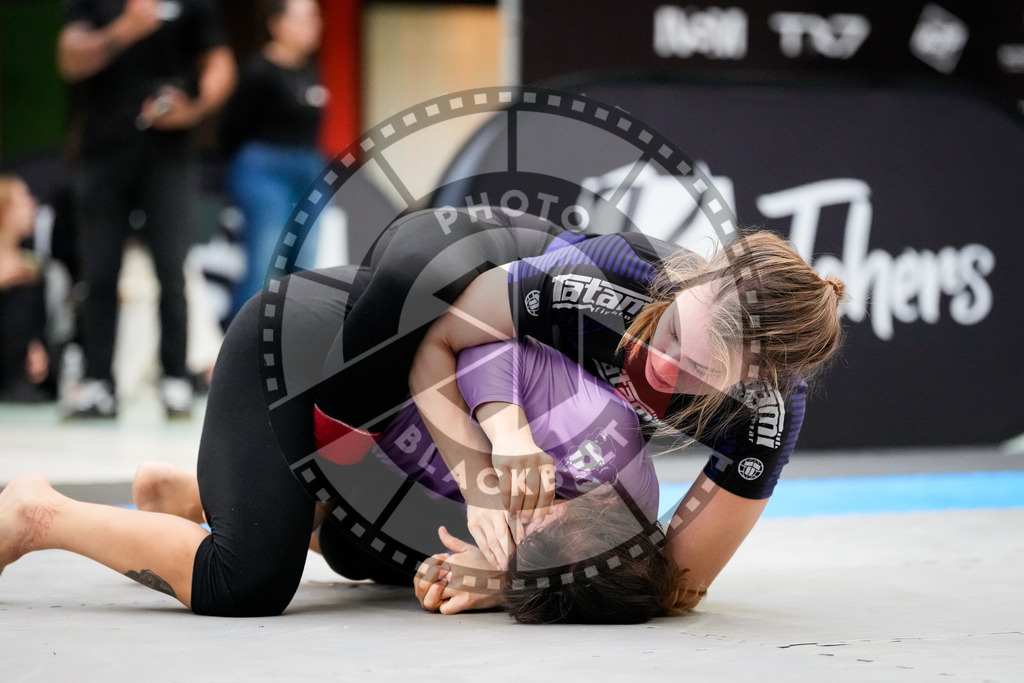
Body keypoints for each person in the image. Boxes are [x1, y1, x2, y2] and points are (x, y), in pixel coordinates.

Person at [0, 264, 679, 623]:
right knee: (247, 584)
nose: (523, 529)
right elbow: (484, 345)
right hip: (304, 348)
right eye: (539, 525)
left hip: (365, 439)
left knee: (386, 556)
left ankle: (194, 494)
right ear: (583, 503)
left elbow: (553, 567)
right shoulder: (601, 436)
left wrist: (501, 581)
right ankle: (40, 513)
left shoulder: (596, 555)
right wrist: (508, 432)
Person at [312, 206, 845, 612]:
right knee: (406, 293)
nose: (663, 363)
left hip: (543, 399)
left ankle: (338, 530)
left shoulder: (767, 412)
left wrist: (512, 576)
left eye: (699, 371)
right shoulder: (612, 274)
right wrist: (482, 473)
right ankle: (319, 472)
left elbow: (676, 584)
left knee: (372, 549)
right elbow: (441, 340)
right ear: (691, 280)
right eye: (675, 329)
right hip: (481, 259)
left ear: (751, 381)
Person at [56, 0, 236, 419]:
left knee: (171, 267)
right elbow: (69, 58)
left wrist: (193, 107)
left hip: (169, 156)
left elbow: (220, 62)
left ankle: (175, 380)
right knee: (100, 270)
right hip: (101, 151)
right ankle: (99, 382)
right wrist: (125, 29)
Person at [220, 0, 327, 316]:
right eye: (304, 19)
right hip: (264, 169)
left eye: (315, 18)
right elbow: (231, 127)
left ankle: (292, 348)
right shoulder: (258, 72)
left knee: (305, 268)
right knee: (264, 264)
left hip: (308, 171)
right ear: (276, 24)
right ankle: (247, 349)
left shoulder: (311, 71)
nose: (314, 25)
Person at [0, 175, 52, 403]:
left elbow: (37, 322)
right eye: (24, 200)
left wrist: (35, 346)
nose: (34, 206)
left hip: (20, 377)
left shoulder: (31, 265)